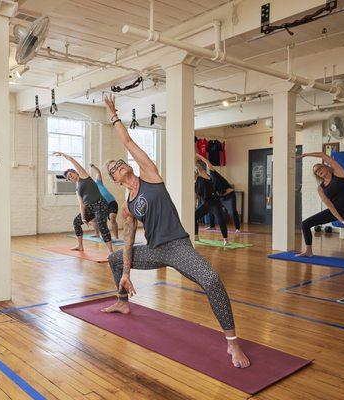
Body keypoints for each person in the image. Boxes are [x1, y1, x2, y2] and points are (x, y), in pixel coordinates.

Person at [100, 94, 250, 369]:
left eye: (119, 162)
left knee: (212, 280)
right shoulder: (128, 205)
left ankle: (232, 342)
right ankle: (122, 302)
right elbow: (131, 240)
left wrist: (114, 115)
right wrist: (125, 274)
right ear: (113, 179)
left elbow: (128, 142)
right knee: (114, 258)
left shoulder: (150, 175)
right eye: (113, 168)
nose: (118, 165)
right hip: (156, 251)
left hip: (178, 247)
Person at [54, 151, 114, 254]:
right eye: (68, 178)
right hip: (89, 208)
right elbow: (81, 205)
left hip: (100, 204)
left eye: (70, 174)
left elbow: (72, 160)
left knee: (101, 225)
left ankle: (111, 251)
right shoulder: (77, 189)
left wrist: (63, 155)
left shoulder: (83, 175)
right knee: (76, 222)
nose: (70, 177)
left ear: (75, 172)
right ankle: (80, 246)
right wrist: (83, 218)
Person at [197, 155, 242, 233]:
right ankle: (212, 226)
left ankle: (237, 228)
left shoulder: (213, 174)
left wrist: (197, 155)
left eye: (204, 173)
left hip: (229, 196)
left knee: (233, 211)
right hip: (220, 197)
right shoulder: (207, 182)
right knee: (211, 207)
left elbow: (207, 162)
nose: (203, 174)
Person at [195, 155, 229, 245]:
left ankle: (225, 239)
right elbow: (195, 196)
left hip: (214, 202)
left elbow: (204, 164)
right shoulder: (196, 184)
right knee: (194, 217)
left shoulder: (206, 177)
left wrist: (196, 155)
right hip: (205, 204)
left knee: (220, 219)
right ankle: (196, 236)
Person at [90, 164, 119, 240]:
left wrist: (93, 166)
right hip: (102, 206)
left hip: (111, 203)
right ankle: (97, 234)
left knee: (112, 218)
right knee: (93, 220)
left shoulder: (98, 183)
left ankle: (116, 237)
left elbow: (98, 172)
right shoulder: (90, 191)